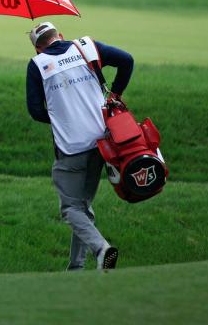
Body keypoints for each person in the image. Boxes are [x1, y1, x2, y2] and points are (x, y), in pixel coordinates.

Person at [26, 22, 135, 271]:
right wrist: (115, 95)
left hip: (71, 147)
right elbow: (127, 61)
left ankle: (101, 248)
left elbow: (35, 110)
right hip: (102, 144)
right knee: (83, 205)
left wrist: (59, 118)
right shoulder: (87, 47)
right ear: (60, 36)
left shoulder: (37, 65)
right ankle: (76, 267)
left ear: (37, 49)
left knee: (70, 209)